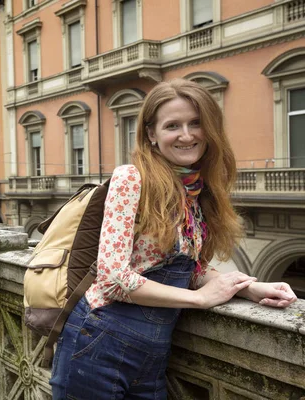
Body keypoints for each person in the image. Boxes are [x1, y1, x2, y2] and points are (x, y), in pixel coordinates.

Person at [49, 79, 297, 399]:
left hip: (152, 354)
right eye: (172, 126)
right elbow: (112, 279)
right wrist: (200, 299)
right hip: (98, 342)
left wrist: (248, 287)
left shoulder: (196, 191)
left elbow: (190, 270)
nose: (186, 134)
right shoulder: (131, 178)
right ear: (151, 134)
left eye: (196, 123)